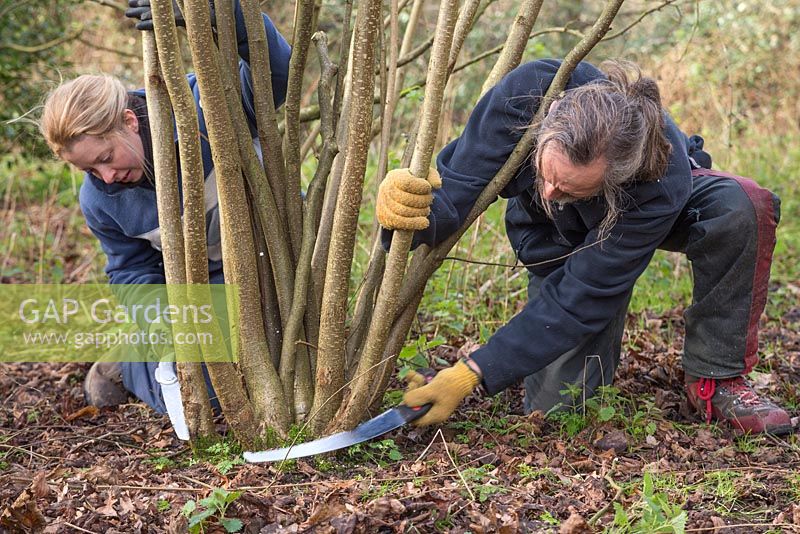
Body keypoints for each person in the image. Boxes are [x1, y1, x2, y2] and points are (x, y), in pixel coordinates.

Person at [377, 59, 793, 435]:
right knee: (558, 410)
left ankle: (716, 379)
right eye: (547, 175)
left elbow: (581, 297)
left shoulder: (658, 178)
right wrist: (407, 214)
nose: (551, 190)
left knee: (740, 206)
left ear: (616, 178)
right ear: (545, 129)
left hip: (642, 216)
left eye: (569, 186)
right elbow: (459, 189)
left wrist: (471, 372)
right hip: (557, 241)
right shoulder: (527, 94)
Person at [38, 0, 290, 414]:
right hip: (204, 292)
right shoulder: (100, 199)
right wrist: (161, 317)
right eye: (88, 170)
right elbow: (129, 269)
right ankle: (129, 363)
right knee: (210, 396)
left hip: (277, 265)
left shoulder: (206, 106)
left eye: (104, 158)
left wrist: (221, 14)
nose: (105, 177)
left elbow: (274, 75)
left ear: (129, 121)